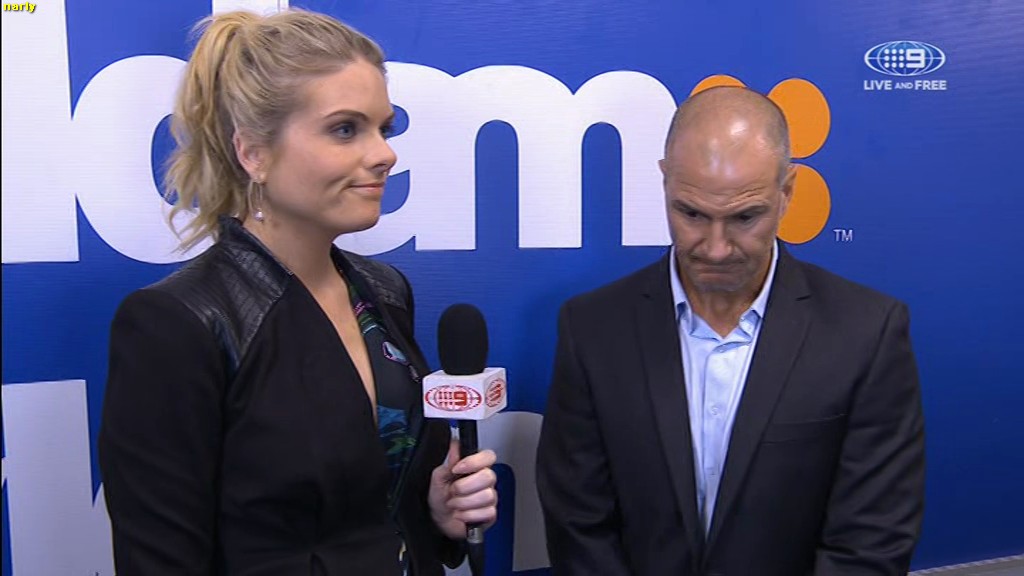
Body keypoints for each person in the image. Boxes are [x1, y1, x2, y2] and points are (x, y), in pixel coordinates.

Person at [98, 9, 497, 575]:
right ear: (253, 154)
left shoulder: (384, 292)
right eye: (345, 129)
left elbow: (376, 501)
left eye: (383, 128)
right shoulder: (179, 322)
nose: (385, 154)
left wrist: (434, 512)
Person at [536, 86, 925, 575]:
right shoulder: (592, 329)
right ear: (664, 181)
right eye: (691, 214)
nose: (716, 248)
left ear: (787, 192)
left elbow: (871, 540)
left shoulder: (866, 331)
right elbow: (579, 525)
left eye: (745, 217)